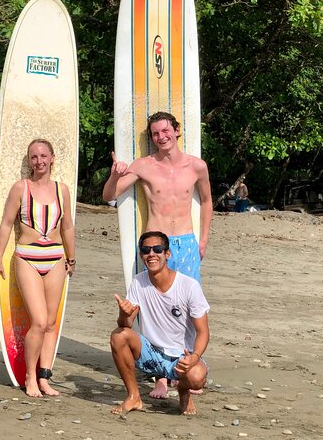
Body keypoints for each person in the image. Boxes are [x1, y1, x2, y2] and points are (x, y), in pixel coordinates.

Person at [103, 111, 211, 398]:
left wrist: (203, 239)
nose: (161, 137)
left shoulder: (197, 166)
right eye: (155, 133)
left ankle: (183, 368)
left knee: (188, 309)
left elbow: (208, 200)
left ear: (177, 131)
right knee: (151, 308)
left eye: (165, 131)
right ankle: (159, 376)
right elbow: (109, 196)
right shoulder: (144, 166)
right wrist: (115, 175)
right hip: (155, 244)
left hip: (186, 243)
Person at [0, 139, 76, 398]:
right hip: (27, 257)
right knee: (38, 321)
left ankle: (45, 377)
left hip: (55, 258)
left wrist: (72, 258)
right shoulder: (21, 188)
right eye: (34, 157)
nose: (39, 161)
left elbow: (68, 226)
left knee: (51, 323)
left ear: (52, 157)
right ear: (29, 161)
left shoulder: (63, 190)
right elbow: (6, 224)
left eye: (43, 156)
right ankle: (29, 375)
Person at [110, 231, 210, 416]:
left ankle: (183, 390)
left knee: (196, 378)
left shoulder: (188, 286)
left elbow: (203, 332)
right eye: (146, 250)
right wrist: (123, 314)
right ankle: (134, 396)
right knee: (118, 335)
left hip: (182, 356)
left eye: (157, 249)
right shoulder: (138, 282)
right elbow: (127, 325)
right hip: (151, 353)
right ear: (141, 255)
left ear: (167, 254)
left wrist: (194, 357)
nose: (151, 254)